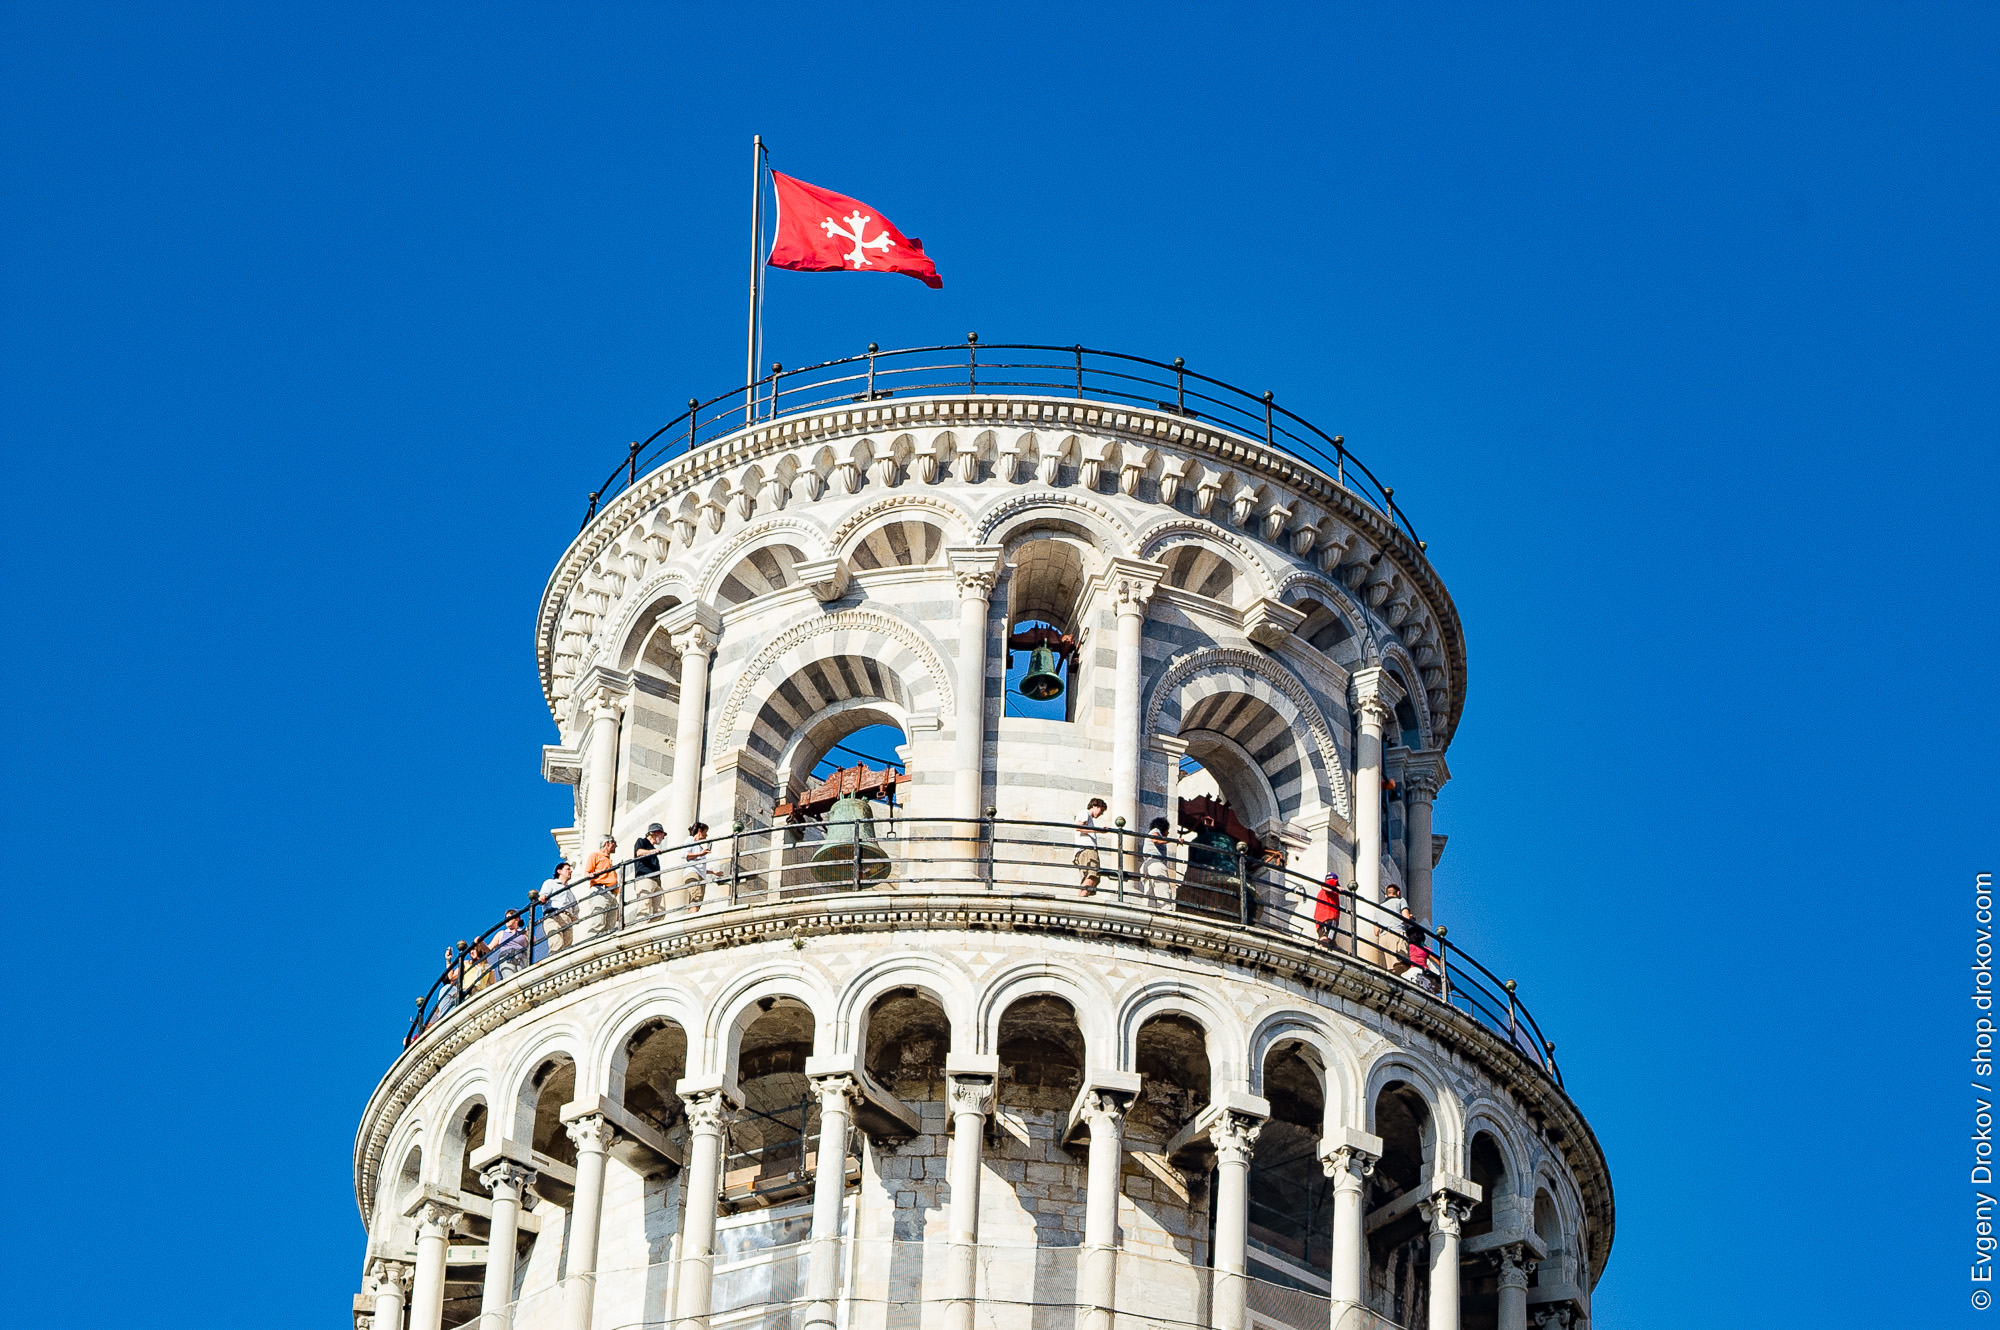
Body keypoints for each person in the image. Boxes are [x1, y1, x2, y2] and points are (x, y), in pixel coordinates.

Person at [582, 835, 620, 936]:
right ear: (607, 843)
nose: (615, 846)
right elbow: (587, 873)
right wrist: (590, 875)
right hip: (601, 891)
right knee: (598, 922)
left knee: (610, 925)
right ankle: (591, 942)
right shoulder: (595, 855)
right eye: (614, 843)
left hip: (612, 894)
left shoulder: (608, 860)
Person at [629, 823, 665, 924]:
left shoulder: (652, 848)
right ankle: (640, 929)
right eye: (662, 835)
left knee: (661, 911)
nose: (663, 838)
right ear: (655, 833)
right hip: (644, 878)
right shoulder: (642, 841)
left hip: (655, 881)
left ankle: (650, 929)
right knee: (644, 908)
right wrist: (652, 851)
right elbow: (639, 852)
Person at [539, 862, 577, 953]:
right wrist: (542, 897)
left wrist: (574, 917)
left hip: (567, 918)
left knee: (567, 944)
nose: (570, 871)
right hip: (553, 915)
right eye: (567, 869)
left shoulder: (569, 891)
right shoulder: (551, 883)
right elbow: (543, 895)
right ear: (559, 871)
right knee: (556, 940)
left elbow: (575, 906)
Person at [1140, 816, 1178, 905]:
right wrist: (1174, 840)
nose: (1168, 832)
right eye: (1167, 830)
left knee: (1149, 894)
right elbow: (1156, 840)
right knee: (1163, 891)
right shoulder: (1156, 831)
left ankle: (1148, 909)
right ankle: (1166, 911)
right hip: (1156, 864)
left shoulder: (1152, 832)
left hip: (1147, 864)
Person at [1075, 798, 1106, 895]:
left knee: (1088, 878)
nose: (1102, 813)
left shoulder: (1088, 817)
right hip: (1087, 850)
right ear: (1095, 806)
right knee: (1093, 876)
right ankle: (1081, 899)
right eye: (1101, 810)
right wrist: (1098, 830)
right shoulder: (1085, 813)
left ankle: (1080, 898)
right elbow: (1078, 827)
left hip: (1084, 851)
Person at [488, 909, 530, 981]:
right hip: (507, 959)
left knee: (524, 981)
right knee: (511, 981)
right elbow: (489, 948)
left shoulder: (523, 933)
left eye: (509, 917)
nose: (506, 920)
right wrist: (480, 944)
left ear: (516, 919)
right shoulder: (501, 933)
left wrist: (526, 932)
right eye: (506, 918)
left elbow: (533, 941)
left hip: (522, 959)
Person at [683, 822, 712, 911]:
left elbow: (698, 865)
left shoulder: (698, 847)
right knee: (696, 897)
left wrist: (713, 872)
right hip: (693, 873)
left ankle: (691, 916)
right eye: (705, 831)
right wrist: (700, 854)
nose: (706, 834)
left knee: (697, 900)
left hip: (700, 875)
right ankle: (693, 915)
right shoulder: (690, 839)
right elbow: (685, 855)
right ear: (699, 831)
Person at [1313, 874, 1343, 948]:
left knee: (1324, 937)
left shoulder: (1321, 893)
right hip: (1330, 917)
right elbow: (1325, 886)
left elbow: (1324, 886)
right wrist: (1336, 888)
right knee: (1327, 938)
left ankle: (1325, 947)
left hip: (1319, 919)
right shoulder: (1331, 885)